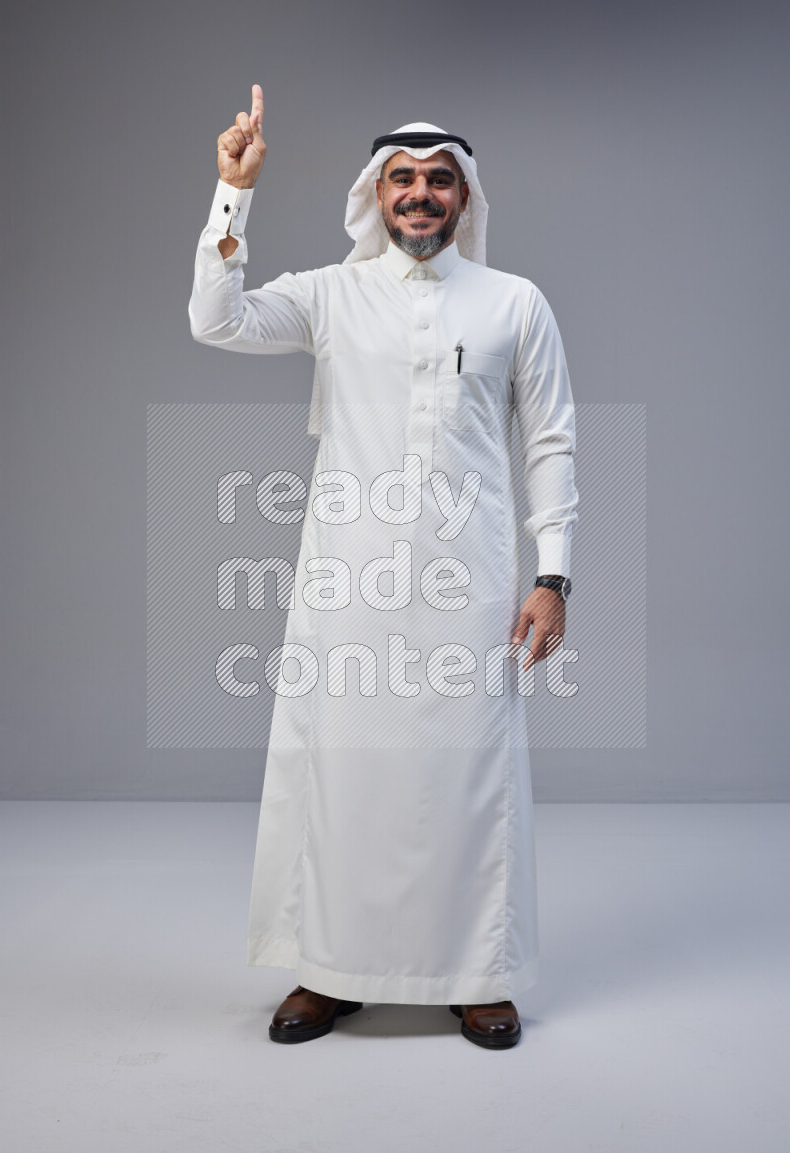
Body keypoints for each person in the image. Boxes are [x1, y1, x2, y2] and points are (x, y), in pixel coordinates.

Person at [189, 84, 578, 1050]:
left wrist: (553, 575)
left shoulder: (513, 303)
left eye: (439, 181)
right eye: (401, 179)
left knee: (467, 776)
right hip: (347, 581)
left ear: (465, 198)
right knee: (344, 777)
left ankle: (476, 972)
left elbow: (553, 442)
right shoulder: (329, 293)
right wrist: (231, 194)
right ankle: (327, 971)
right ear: (375, 193)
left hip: (473, 584)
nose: (420, 194)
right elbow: (217, 321)